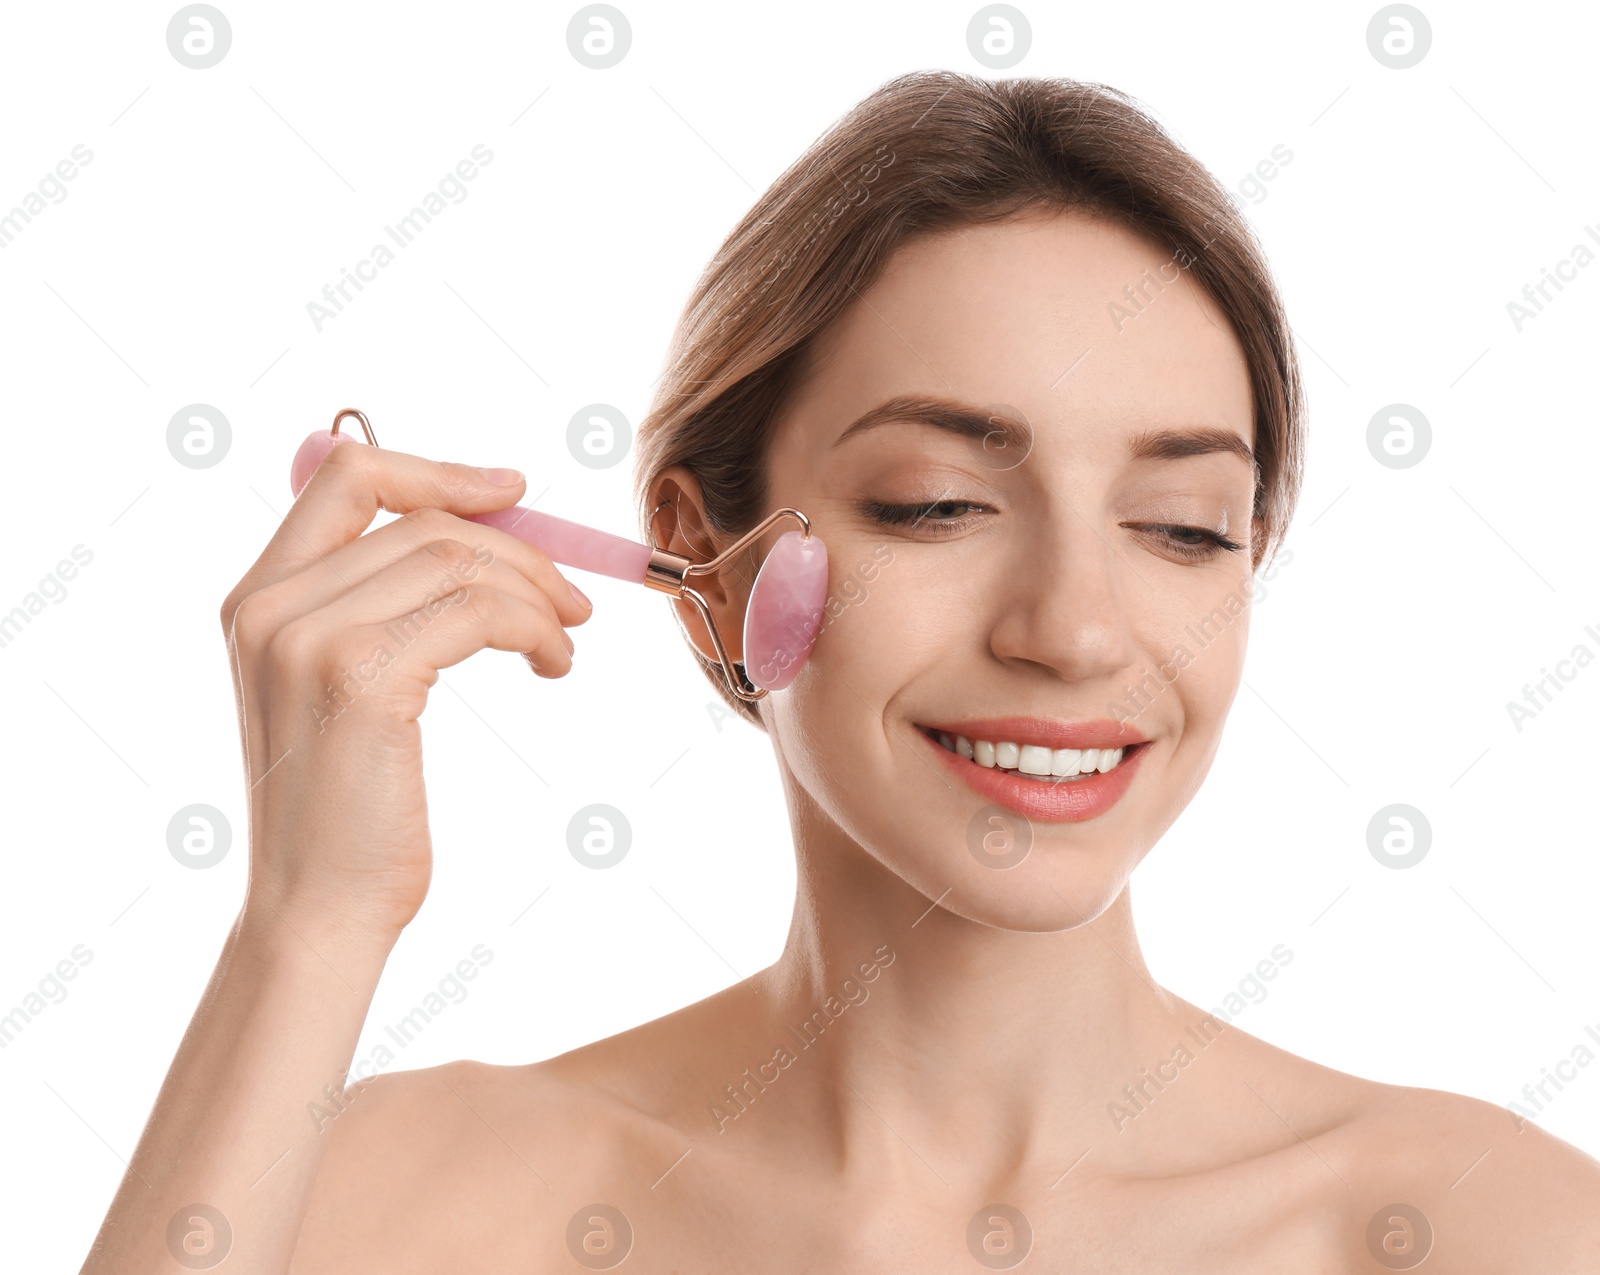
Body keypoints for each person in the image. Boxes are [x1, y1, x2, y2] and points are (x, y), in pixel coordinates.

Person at [84, 69, 1600, 1271]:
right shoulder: (410, 1199)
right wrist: (313, 919)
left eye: (1181, 527)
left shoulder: (1488, 1235)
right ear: (703, 563)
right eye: (935, 505)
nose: (1074, 630)